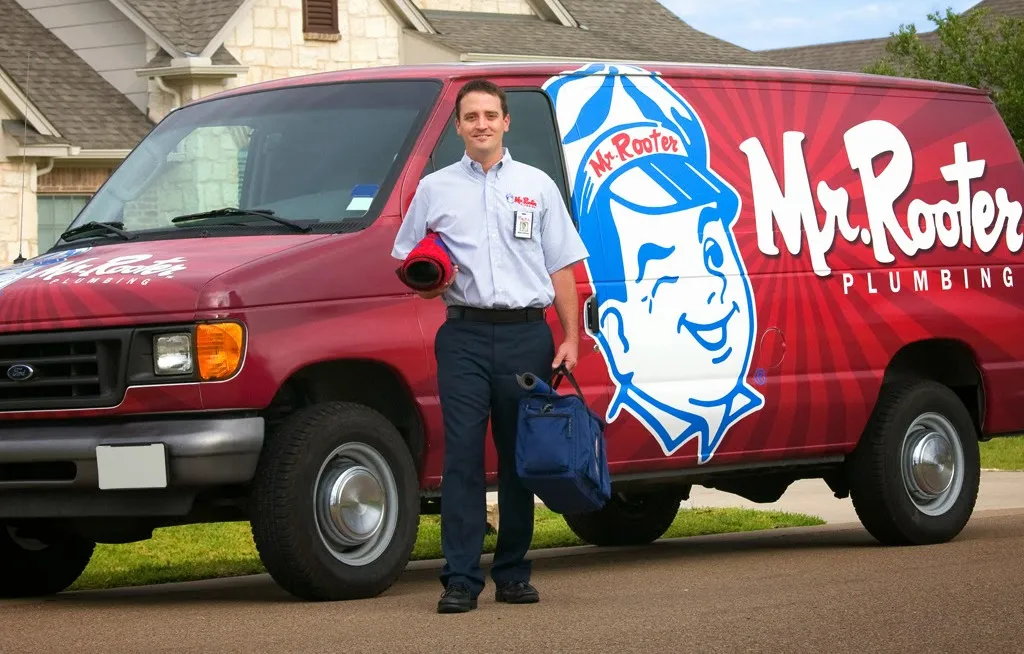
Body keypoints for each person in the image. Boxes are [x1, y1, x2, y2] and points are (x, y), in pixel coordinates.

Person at [391, 79, 589, 614]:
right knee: (461, 457)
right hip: (464, 337)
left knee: (520, 456)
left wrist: (570, 338)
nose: (481, 124)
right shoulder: (434, 189)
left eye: (490, 115)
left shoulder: (537, 185)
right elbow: (410, 262)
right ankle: (459, 579)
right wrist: (429, 279)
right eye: (471, 116)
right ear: (457, 126)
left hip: (528, 334)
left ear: (506, 122)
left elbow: (562, 267)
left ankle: (513, 573)